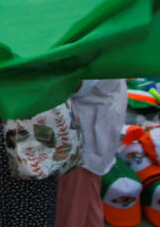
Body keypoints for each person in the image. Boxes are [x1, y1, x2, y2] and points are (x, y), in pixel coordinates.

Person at [54, 79, 127, 227]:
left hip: (81, 139)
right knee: (86, 205)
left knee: (71, 209)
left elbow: (74, 85)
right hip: (85, 133)